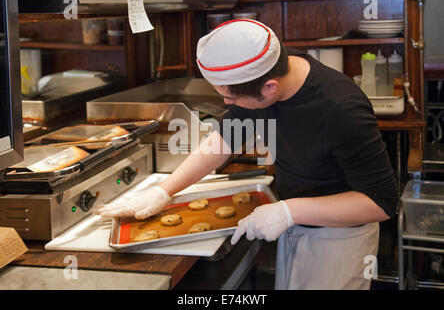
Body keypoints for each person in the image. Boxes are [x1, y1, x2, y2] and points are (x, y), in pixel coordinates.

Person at [95, 19, 399, 290]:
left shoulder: (340, 110)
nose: (227, 103)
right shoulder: (263, 69)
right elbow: (225, 139)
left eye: (229, 97)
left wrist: (289, 211)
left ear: (269, 88)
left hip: (340, 239)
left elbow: (381, 202)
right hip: (295, 224)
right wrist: (164, 190)